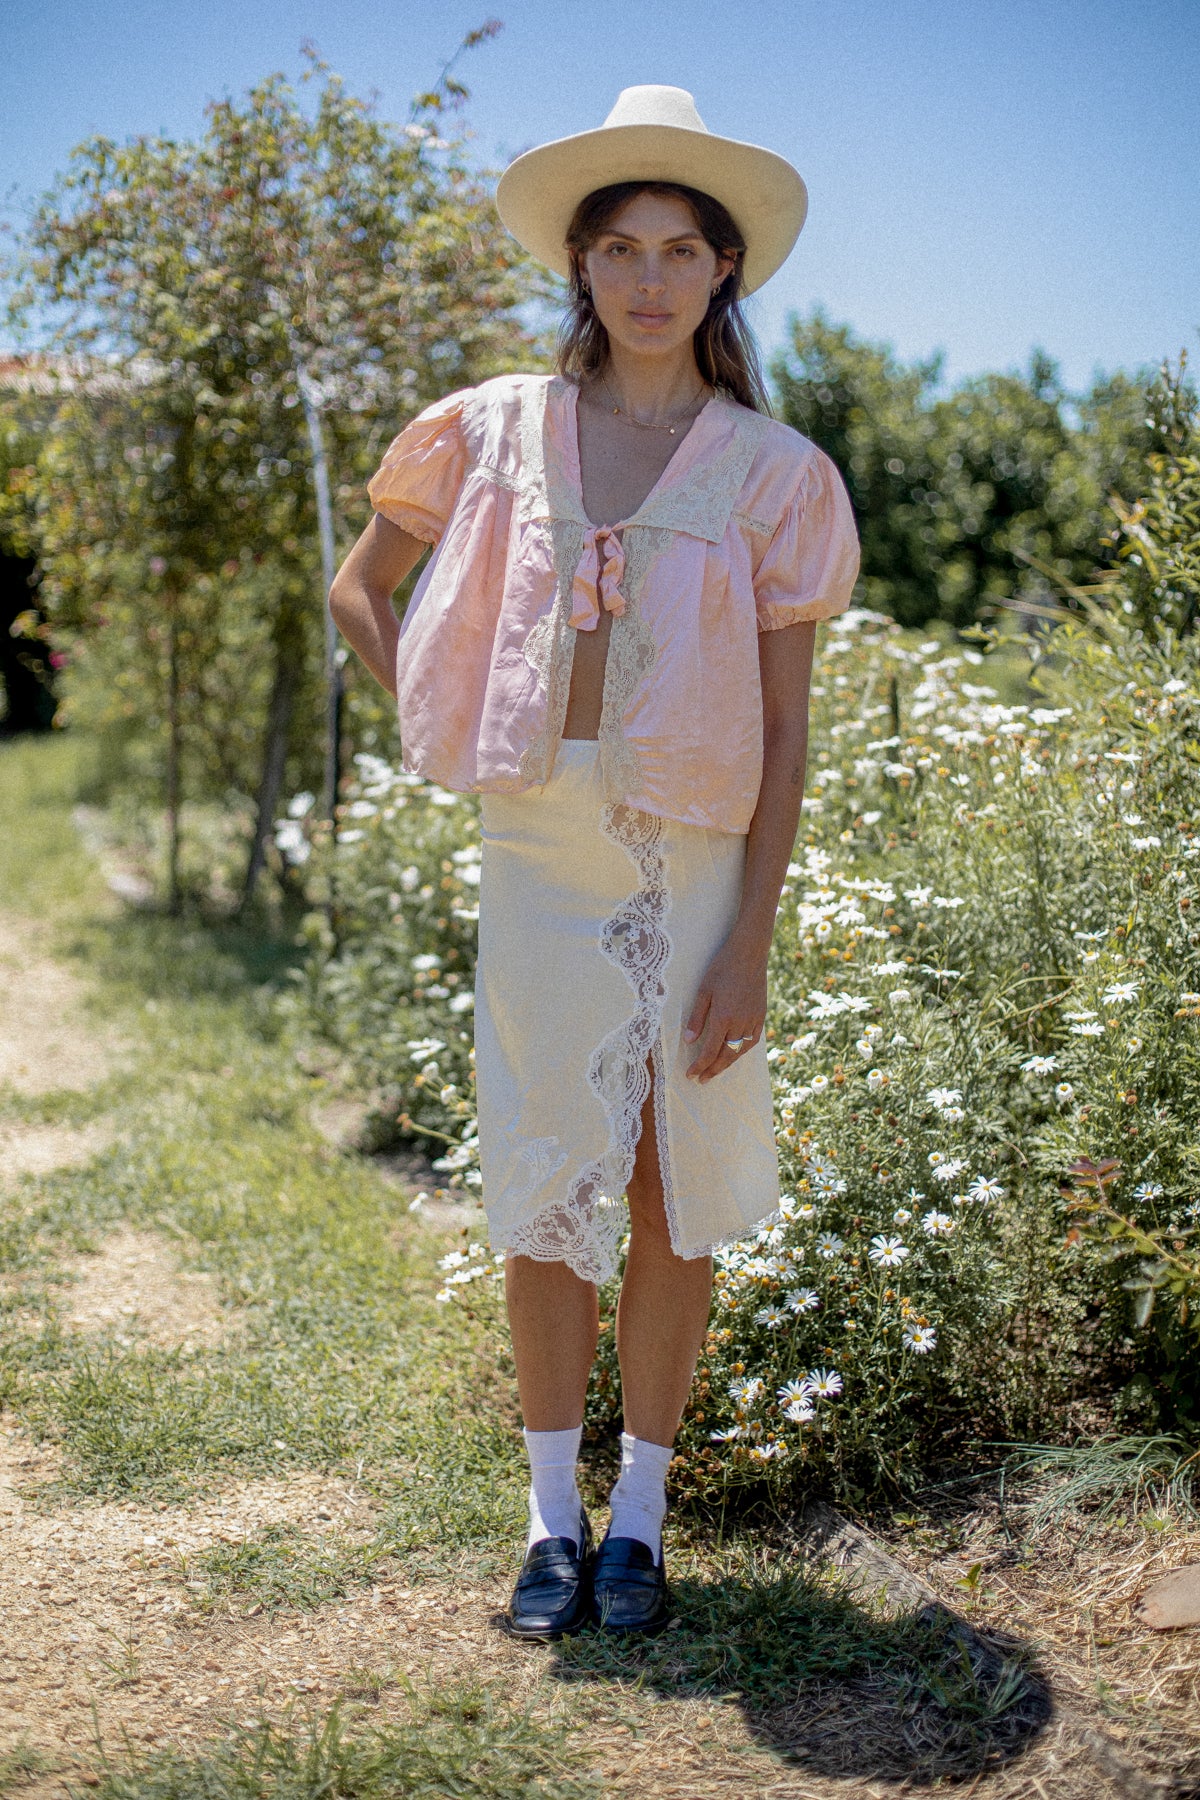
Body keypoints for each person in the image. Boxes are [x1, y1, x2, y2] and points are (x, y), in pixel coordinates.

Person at [329, 85, 860, 1640]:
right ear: (581, 266)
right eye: (618, 249)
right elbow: (367, 589)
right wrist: (467, 716)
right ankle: (548, 1525)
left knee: (666, 1186)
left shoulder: (773, 472)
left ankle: (642, 1525)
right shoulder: (492, 426)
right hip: (537, 845)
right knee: (545, 1183)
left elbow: (784, 730)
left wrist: (751, 939)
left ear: (721, 275)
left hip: (695, 861)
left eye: (679, 251)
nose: (647, 279)